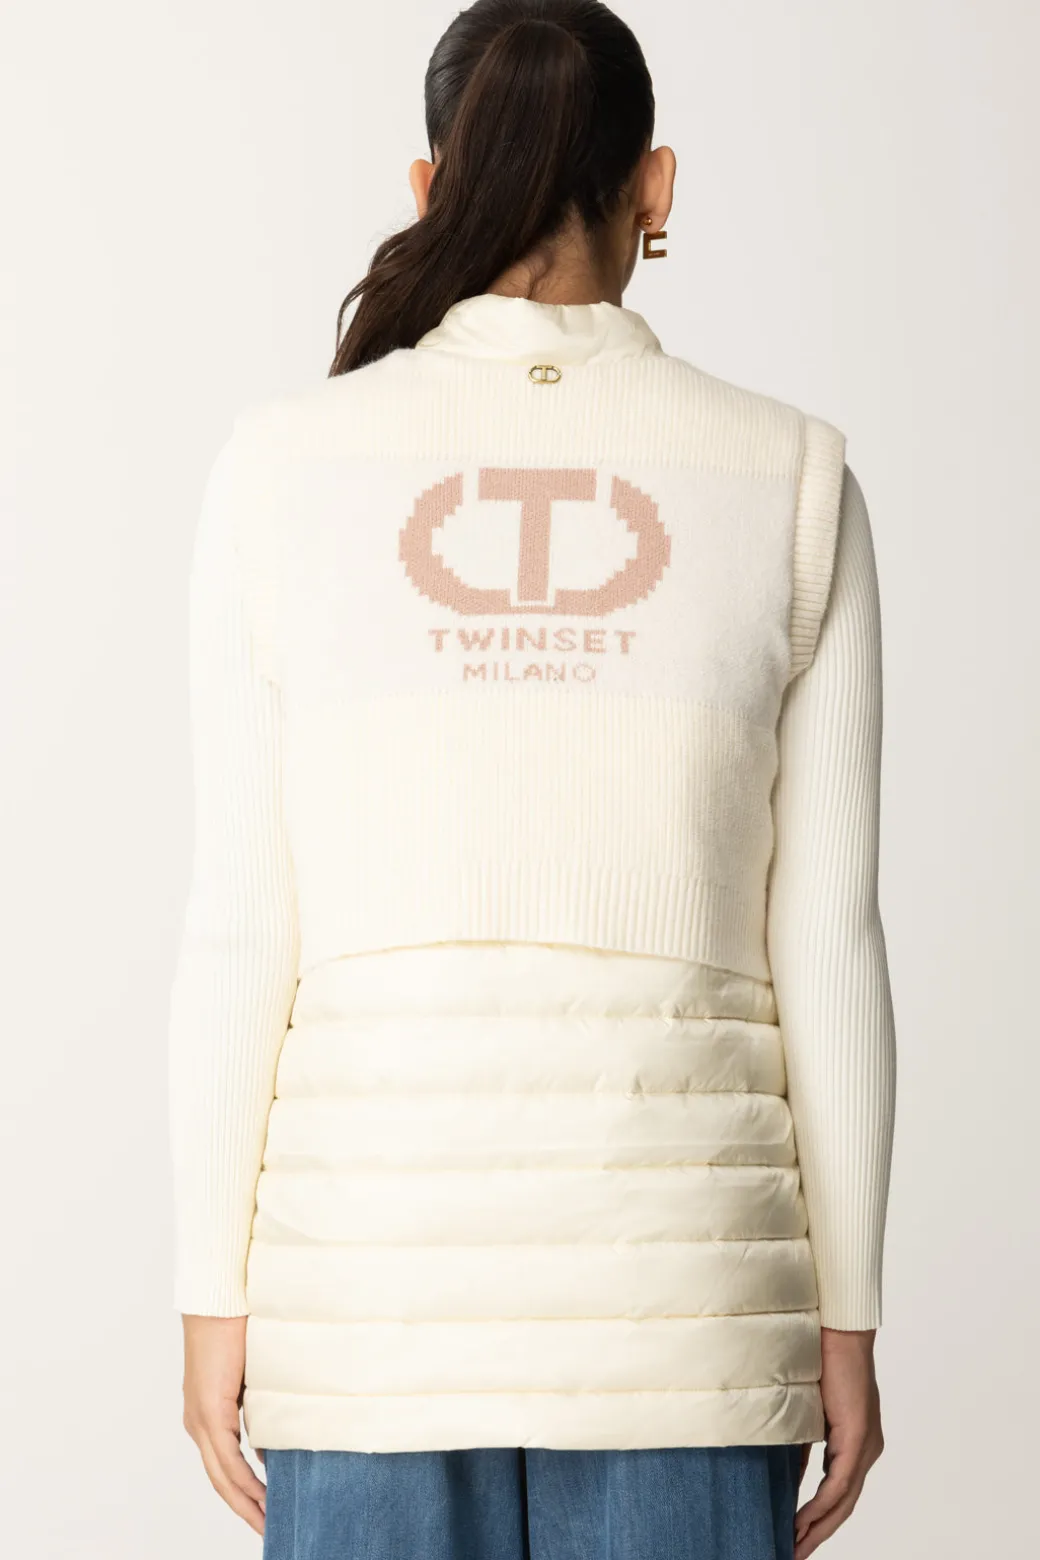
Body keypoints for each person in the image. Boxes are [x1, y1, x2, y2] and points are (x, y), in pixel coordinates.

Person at [167, 2, 897, 1557]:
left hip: (366, 1301)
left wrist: (211, 1291)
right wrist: (848, 1314)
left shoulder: (280, 466)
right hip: (691, 1315)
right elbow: (829, 938)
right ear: (656, 187)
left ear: (430, 186)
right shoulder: (790, 477)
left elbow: (239, 923)